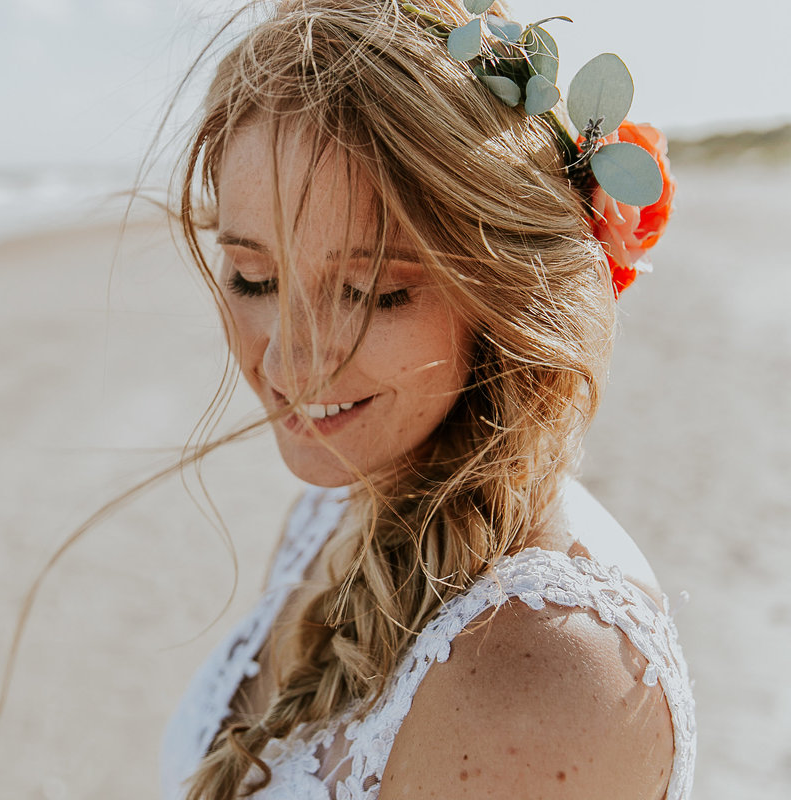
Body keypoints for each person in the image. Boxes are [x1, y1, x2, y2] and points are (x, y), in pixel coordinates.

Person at [154, 1, 694, 798]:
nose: (289, 362)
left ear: (506, 288)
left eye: (370, 291)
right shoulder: (332, 506)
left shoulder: (549, 678)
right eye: (253, 279)